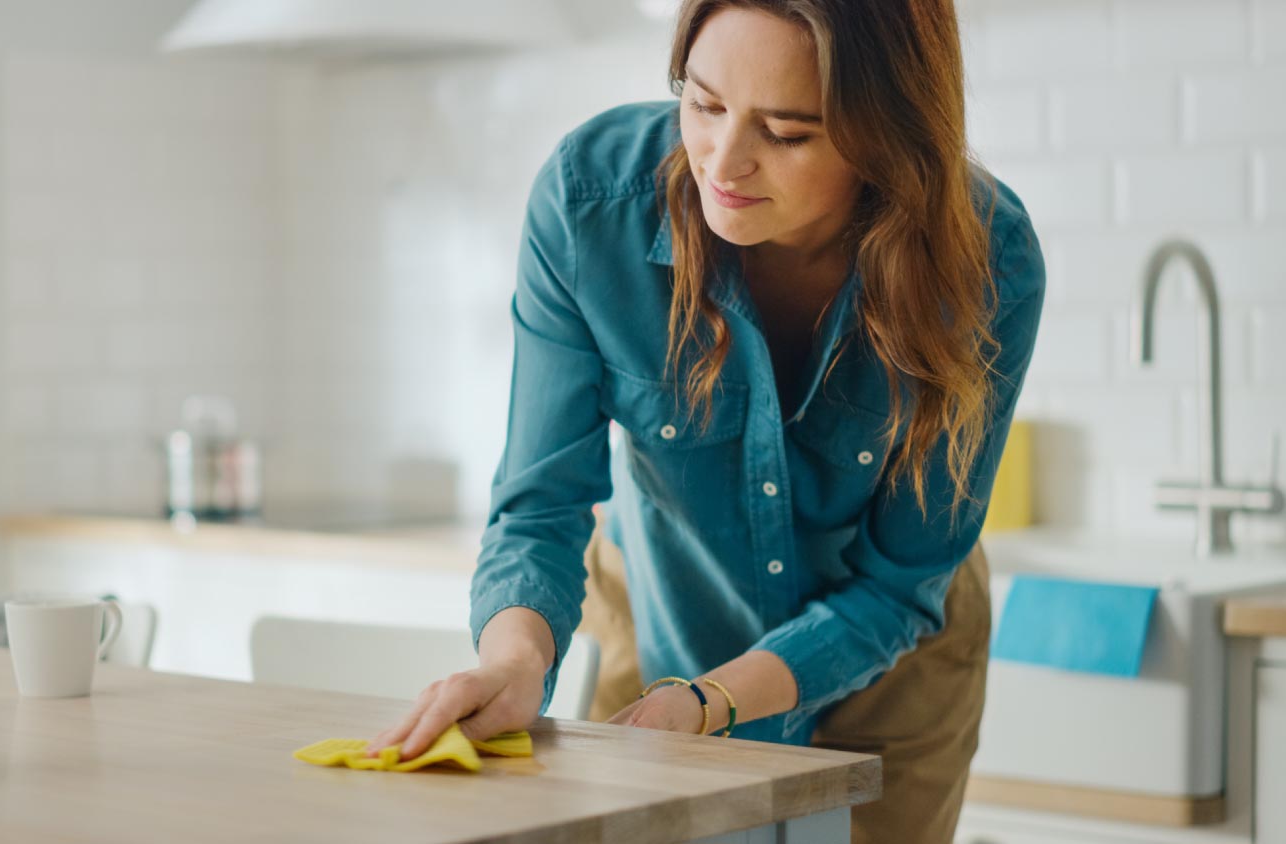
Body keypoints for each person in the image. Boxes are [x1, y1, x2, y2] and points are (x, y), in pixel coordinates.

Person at [366, 1, 1043, 840]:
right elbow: (542, 507)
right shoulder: (591, 205)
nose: (723, 161)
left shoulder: (986, 259)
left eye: (789, 133)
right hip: (660, 616)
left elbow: (897, 585)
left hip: (891, 655)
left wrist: (714, 701)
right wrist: (512, 663)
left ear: (888, 139)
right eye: (705, 102)